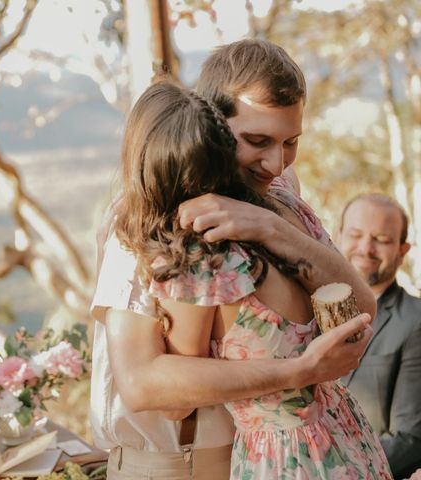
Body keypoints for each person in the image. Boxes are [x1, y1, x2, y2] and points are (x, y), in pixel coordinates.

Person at [91, 39, 376, 479]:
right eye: (257, 141)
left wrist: (271, 227)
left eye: (291, 142)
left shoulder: (279, 201)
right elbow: (151, 388)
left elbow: (361, 309)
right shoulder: (152, 222)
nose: (277, 164)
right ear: (213, 126)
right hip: (174, 465)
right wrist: (300, 370)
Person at [338, 194, 421, 480]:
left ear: (402, 250)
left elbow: (410, 439)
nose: (365, 248)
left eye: (382, 239)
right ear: (338, 237)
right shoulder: (303, 307)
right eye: (356, 235)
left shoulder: (416, 320)